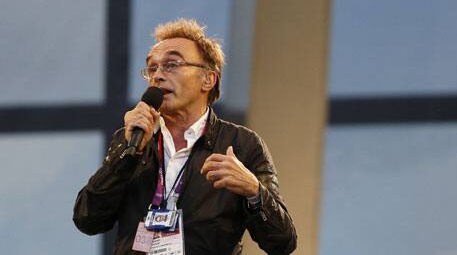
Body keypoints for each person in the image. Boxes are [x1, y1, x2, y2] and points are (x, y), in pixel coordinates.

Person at [74, 19, 297, 254]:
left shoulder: (242, 144)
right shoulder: (132, 139)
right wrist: (127, 155)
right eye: (152, 68)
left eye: (171, 64)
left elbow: (282, 243)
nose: (157, 75)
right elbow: (87, 219)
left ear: (208, 79)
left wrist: (254, 192)